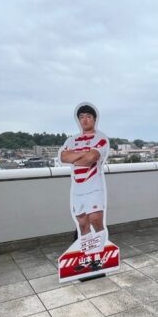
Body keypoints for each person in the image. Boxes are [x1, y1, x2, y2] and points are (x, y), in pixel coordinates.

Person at [58, 104, 111, 270]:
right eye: (82, 117)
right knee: (82, 224)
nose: (85, 119)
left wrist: (75, 156)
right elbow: (63, 157)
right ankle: (88, 257)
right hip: (78, 190)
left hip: (94, 186)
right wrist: (83, 153)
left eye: (88, 116)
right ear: (78, 120)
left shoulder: (101, 138)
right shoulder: (71, 140)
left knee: (96, 220)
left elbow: (90, 159)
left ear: (94, 119)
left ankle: (99, 255)